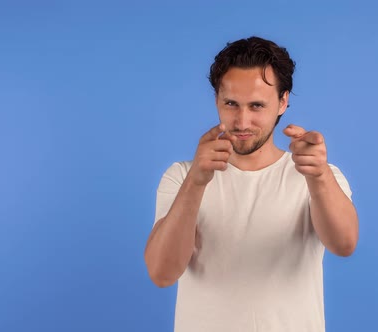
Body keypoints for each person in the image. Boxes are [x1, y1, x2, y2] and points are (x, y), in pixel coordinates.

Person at [144, 36, 359, 332]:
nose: (242, 122)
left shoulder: (317, 174)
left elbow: (344, 244)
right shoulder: (181, 176)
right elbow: (162, 273)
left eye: (257, 105)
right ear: (217, 99)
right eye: (231, 103)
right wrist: (196, 183)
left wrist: (319, 176)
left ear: (283, 101)